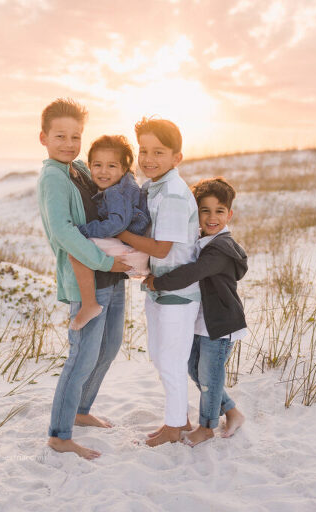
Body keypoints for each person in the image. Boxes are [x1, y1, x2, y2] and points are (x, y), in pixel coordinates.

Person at [36, 98, 131, 460]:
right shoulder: (52, 177)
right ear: (43, 137)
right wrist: (105, 262)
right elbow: (62, 230)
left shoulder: (78, 167)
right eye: (60, 136)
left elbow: (115, 181)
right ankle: (60, 435)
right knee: (81, 357)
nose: (69, 143)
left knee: (108, 349)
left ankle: (81, 410)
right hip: (89, 277)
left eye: (75, 136)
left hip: (112, 276)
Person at [115, 117, 201, 447]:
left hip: (178, 292)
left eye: (159, 152)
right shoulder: (154, 187)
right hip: (158, 286)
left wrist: (120, 234)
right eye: (144, 151)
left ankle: (175, 426)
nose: (149, 159)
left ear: (176, 158)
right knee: (160, 356)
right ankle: (180, 417)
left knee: (171, 360)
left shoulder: (175, 195)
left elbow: (163, 247)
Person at [144, 177, 247, 446]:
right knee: (194, 370)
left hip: (220, 325)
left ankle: (207, 427)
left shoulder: (221, 248)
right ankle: (232, 411)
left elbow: (193, 273)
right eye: (205, 211)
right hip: (202, 322)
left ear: (229, 214)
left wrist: (158, 282)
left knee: (210, 378)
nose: (212, 217)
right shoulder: (202, 240)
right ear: (196, 213)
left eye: (219, 211)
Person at [68, 135, 151, 331]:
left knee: (79, 251)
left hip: (131, 250)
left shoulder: (115, 193)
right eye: (97, 165)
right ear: (89, 166)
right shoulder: (124, 184)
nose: (103, 172)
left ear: (123, 168)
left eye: (112, 166)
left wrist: (84, 230)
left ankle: (89, 305)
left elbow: (116, 224)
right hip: (135, 249)